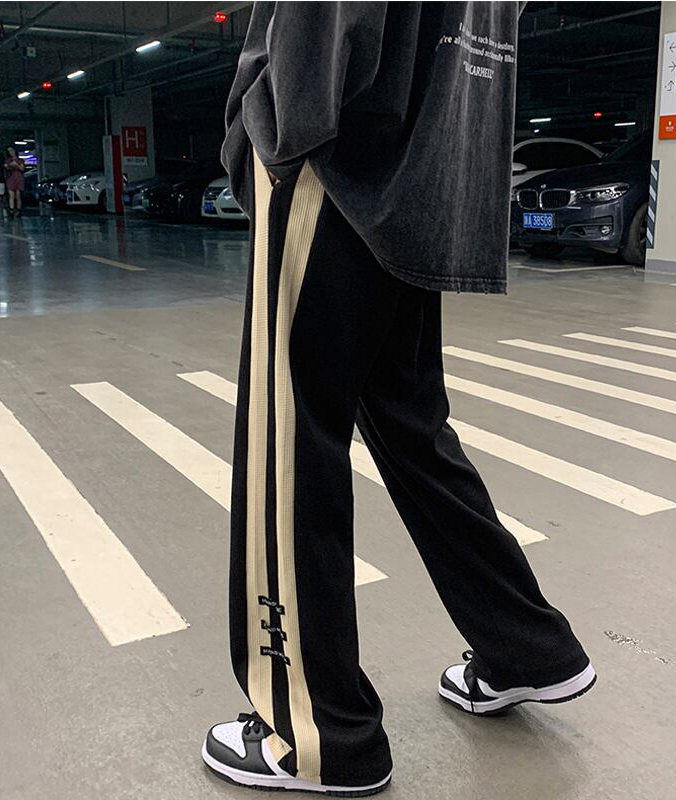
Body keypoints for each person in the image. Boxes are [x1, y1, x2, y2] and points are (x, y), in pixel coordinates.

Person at [202, 3, 594, 796]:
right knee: (412, 428)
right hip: (424, 171)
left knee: (290, 436)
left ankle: (315, 734)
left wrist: (267, 136)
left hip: (335, 160)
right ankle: (527, 648)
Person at [4, 146, 25, 218]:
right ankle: (11, 210)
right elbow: (6, 167)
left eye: (12, 150)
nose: (11, 152)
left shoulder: (20, 160)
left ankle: (19, 210)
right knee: (11, 195)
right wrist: (10, 165)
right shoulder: (7, 160)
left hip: (18, 178)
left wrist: (16, 165)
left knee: (18, 195)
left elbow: (22, 169)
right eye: (9, 151)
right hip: (10, 178)